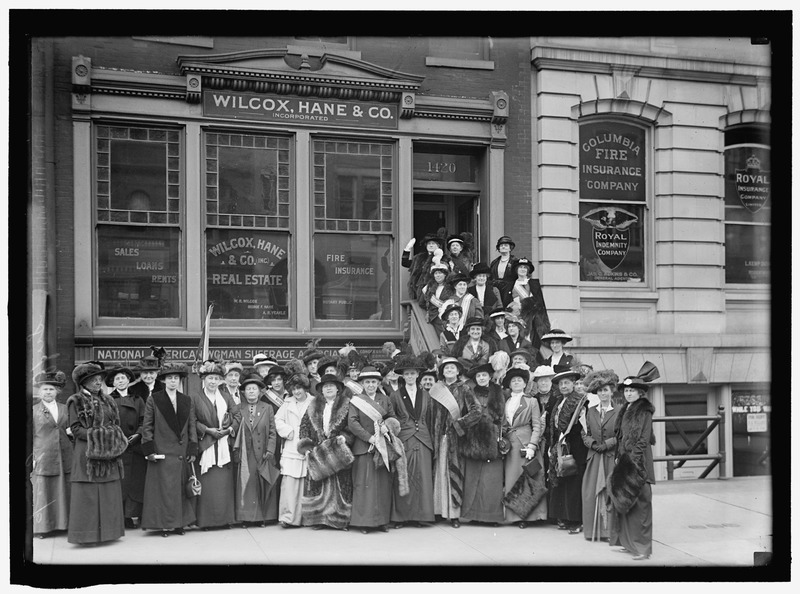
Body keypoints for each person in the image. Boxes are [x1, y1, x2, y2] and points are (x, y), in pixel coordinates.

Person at [66, 362, 126, 545]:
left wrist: (114, 436)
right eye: (93, 379)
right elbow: (75, 429)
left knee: (109, 494)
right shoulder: (75, 400)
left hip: (109, 455)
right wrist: (101, 436)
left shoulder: (109, 400)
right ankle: (86, 536)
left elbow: (116, 424)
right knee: (88, 495)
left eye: (100, 379)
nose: (98, 382)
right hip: (87, 455)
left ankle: (110, 533)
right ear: (84, 383)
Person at [608, 362, 660, 561]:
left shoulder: (644, 411)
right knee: (626, 503)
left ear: (640, 394)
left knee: (642, 505)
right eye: (627, 390)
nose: (629, 394)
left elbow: (643, 440)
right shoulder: (626, 409)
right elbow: (621, 438)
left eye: (632, 391)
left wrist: (633, 462)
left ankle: (642, 548)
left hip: (638, 465)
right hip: (624, 462)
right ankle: (628, 543)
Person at [140, 362, 198, 537]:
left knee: (179, 490)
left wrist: (192, 449)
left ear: (180, 381)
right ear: (164, 380)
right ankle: (164, 525)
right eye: (170, 378)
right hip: (162, 452)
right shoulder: (154, 398)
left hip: (180, 453)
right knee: (164, 491)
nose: (173, 381)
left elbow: (192, 426)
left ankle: (179, 524)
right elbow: (147, 426)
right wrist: (149, 449)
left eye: (176, 378)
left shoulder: (186, 400)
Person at [297, 373, 355, 531]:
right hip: (318, 452)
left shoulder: (347, 404)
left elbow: (352, 424)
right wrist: (307, 447)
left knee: (340, 487)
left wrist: (344, 438)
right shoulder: (312, 405)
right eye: (325, 386)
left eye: (332, 385)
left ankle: (340, 520)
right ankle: (318, 520)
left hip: (338, 451)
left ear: (338, 389)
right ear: (321, 390)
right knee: (318, 487)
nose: (328, 388)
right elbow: (303, 427)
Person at [429, 356, 481, 528]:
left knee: (454, 472)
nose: (449, 370)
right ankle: (438, 511)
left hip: (455, 438)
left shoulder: (464, 388)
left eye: (453, 368)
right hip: (438, 437)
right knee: (439, 472)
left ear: (458, 371)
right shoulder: (436, 389)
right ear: (442, 371)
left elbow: (476, 411)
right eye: (446, 368)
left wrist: (461, 424)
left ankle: (454, 515)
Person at [192, 360, 241, 530]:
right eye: (209, 378)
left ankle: (224, 520)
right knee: (208, 487)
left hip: (223, 447)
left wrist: (228, 431)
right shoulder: (195, 397)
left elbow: (237, 417)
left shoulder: (226, 396)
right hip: (206, 445)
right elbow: (193, 420)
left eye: (216, 378)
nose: (213, 382)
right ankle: (206, 521)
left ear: (221, 380)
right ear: (203, 379)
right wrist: (208, 430)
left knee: (223, 486)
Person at [347, 366, 397, 534]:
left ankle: (382, 521)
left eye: (373, 382)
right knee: (363, 485)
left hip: (383, 447)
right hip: (363, 447)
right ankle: (363, 522)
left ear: (378, 383)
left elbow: (392, 418)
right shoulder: (356, 400)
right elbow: (352, 422)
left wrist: (387, 428)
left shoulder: (385, 399)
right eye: (367, 382)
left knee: (382, 485)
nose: (370, 385)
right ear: (362, 383)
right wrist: (370, 438)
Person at [388, 355, 436, 528]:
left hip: (423, 438)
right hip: (404, 438)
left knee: (422, 477)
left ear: (418, 375)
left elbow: (430, 419)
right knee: (404, 476)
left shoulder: (427, 395)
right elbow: (391, 417)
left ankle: (422, 516)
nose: (410, 376)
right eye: (407, 374)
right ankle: (401, 517)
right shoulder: (395, 395)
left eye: (413, 373)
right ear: (403, 376)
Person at [459, 363, 506, 526]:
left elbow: (502, 416)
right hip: (473, 436)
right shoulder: (469, 393)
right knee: (473, 478)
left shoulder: (499, 392)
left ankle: (491, 516)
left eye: (484, 375)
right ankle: (473, 514)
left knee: (492, 479)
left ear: (490, 376)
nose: (481, 378)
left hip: (492, 437)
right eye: (478, 376)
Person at [502, 367, 547, 527]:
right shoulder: (506, 401)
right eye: (513, 381)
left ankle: (528, 517)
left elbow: (536, 425)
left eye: (519, 380)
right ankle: (515, 516)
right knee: (513, 480)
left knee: (528, 480)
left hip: (525, 443)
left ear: (524, 383)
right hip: (511, 445)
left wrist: (533, 445)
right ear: (510, 384)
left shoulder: (531, 401)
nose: (516, 383)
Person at [232, 373, 279, 526]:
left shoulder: (268, 408)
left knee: (261, 484)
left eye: (254, 389)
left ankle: (261, 518)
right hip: (246, 454)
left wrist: (270, 450)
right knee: (247, 485)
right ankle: (246, 518)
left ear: (260, 392)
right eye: (248, 389)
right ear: (244, 393)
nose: (251, 391)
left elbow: (273, 431)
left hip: (263, 453)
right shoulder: (238, 408)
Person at [547, 366, 588, 533]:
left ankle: (575, 519)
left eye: (567, 383)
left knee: (573, 481)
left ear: (573, 384)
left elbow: (581, 426)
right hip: (559, 445)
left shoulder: (580, 401)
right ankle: (562, 516)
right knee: (561, 479)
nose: (564, 386)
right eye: (561, 383)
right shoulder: (558, 402)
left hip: (575, 445)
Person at [580, 369, 620, 542]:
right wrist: (593, 444)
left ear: (612, 391)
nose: (603, 394)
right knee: (590, 493)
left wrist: (608, 444)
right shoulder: (591, 411)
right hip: (595, 456)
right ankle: (592, 531)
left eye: (606, 390)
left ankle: (609, 532)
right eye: (600, 391)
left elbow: (621, 434)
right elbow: (584, 433)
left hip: (611, 457)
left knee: (610, 492)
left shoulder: (619, 411)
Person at [31, 370, 72, 538]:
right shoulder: (33, 411)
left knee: (63, 489)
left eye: (52, 389)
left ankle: (64, 525)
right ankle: (43, 528)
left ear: (57, 392)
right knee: (44, 491)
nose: (48, 392)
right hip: (43, 455)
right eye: (45, 389)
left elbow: (70, 429)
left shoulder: (65, 409)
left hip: (64, 454)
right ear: (39, 392)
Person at [105, 365, 146, 529]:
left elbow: (145, 420)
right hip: (117, 447)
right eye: (117, 379)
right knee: (120, 482)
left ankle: (133, 514)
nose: (120, 381)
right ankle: (121, 517)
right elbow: (105, 422)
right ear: (113, 383)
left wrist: (138, 434)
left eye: (123, 378)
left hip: (135, 446)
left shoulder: (138, 399)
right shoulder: (107, 400)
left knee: (135, 482)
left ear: (128, 380)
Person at [274, 373, 314, 528]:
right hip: (291, 448)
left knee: (307, 484)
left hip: (308, 448)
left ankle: (306, 518)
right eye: (294, 389)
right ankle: (288, 518)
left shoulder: (314, 402)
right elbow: (277, 421)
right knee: (290, 484)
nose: (297, 392)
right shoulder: (287, 403)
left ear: (305, 388)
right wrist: (289, 431)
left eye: (300, 388)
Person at [531, 365, 559, 487]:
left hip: (552, 441)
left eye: (546, 379)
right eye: (540, 380)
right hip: (536, 442)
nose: (543, 383)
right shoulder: (532, 399)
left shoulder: (557, 398)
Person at [402, 233, 447, 300]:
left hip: (434, 293)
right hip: (417, 293)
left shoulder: (444, 258)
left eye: (433, 243)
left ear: (438, 246)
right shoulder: (419, 258)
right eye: (429, 244)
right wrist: (407, 249)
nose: (431, 245)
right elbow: (405, 263)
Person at [419, 259, 454, 337]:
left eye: (440, 273)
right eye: (436, 273)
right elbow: (421, 303)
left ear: (445, 275)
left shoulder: (451, 288)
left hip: (448, 317)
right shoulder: (428, 288)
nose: (438, 275)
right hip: (434, 317)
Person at [489, 236, 519, 307]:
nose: (503, 247)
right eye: (501, 245)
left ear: (510, 248)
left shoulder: (515, 262)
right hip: (497, 290)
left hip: (510, 290)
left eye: (506, 245)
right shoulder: (494, 262)